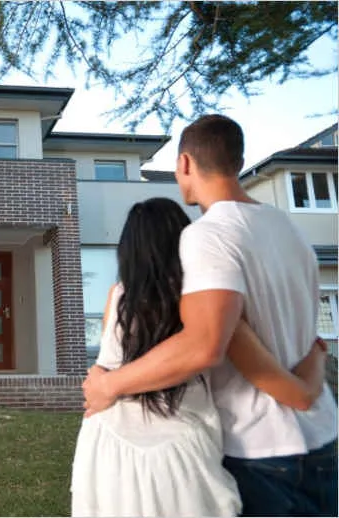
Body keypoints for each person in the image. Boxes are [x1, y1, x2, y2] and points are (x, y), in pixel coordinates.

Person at [82, 115, 338, 516]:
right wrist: (314, 371)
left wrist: (110, 385)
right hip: (325, 437)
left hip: (261, 446)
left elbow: (203, 344)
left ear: (185, 163)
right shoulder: (291, 230)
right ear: (237, 161)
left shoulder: (207, 235)